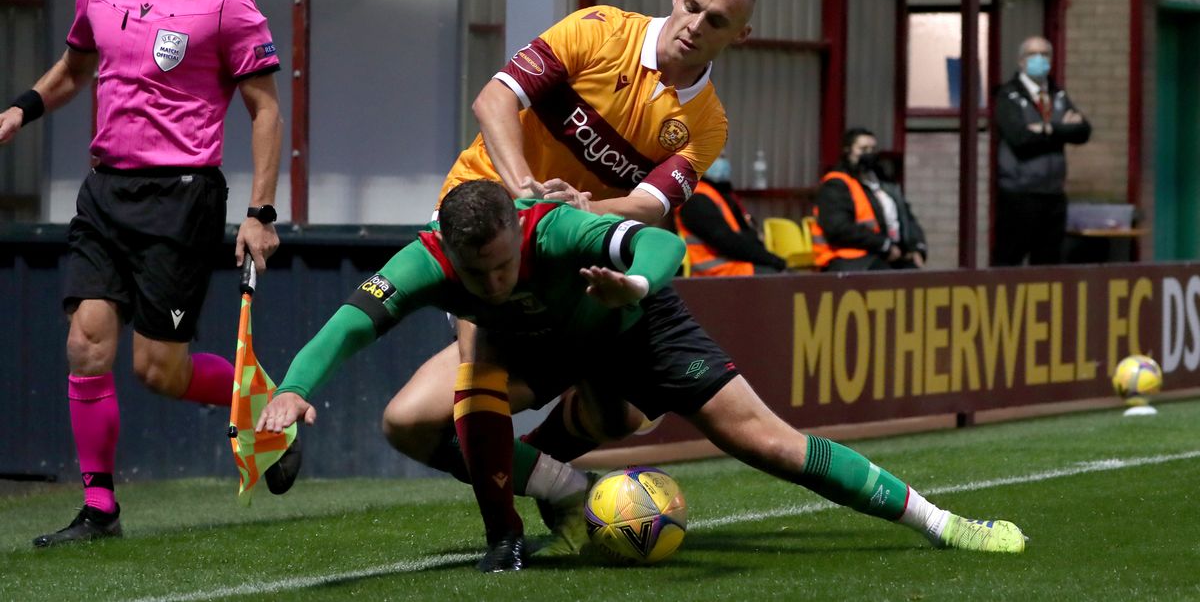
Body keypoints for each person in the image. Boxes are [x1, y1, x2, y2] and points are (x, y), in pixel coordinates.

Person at [259, 180, 1027, 573]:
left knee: (768, 444)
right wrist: (294, 385)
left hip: (636, 324)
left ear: (516, 231)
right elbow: (350, 322)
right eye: (475, 272)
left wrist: (635, 285)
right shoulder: (426, 261)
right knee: (409, 416)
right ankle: (540, 511)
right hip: (547, 347)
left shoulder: (556, 227)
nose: (491, 280)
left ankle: (940, 521)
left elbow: (662, 246)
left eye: (502, 264)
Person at [373, 0, 758, 541]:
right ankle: (510, 530)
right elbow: (493, 101)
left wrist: (574, 212)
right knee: (432, 406)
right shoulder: (598, 31)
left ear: (740, 36)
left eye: (717, 20)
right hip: (491, 229)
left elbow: (649, 207)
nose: (696, 24)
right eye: (693, 6)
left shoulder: (706, 124)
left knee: (622, 415)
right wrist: (527, 197)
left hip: (569, 252)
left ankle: (533, 469)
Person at [0, 0, 286, 547]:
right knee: (86, 340)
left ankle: (272, 409)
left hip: (181, 198)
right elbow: (74, 70)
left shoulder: (229, 1)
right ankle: (100, 508)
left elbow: (267, 111)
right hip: (106, 190)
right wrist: (19, 109)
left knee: (160, 371)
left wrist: (261, 212)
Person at [992, 36, 1091, 266]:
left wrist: (1046, 128)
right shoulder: (1009, 95)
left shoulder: (1058, 96)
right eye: (1033, 54)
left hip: (1053, 194)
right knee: (1009, 260)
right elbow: (1020, 139)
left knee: (1048, 263)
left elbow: (1083, 131)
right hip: (1019, 194)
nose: (1040, 59)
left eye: (1045, 54)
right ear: (1021, 61)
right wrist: (1062, 129)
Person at [812, 128, 928, 272]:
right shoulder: (836, 184)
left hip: (887, 255)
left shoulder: (883, 184)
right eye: (863, 149)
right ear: (848, 151)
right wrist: (884, 245)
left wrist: (916, 246)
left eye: (872, 149)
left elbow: (907, 218)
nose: (869, 154)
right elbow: (838, 228)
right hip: (849, 259)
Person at [674, 152, 786, 275]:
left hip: (735, 266)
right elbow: (727, 241)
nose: (721, 162)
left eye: (723, 157)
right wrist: (772, 260)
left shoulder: (717, 193)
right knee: (782, 279)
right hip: (716, 272)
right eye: (716, 157)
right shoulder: (697, 200)